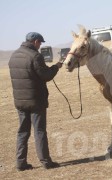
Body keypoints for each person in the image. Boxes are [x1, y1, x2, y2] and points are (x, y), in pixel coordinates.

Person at [9, 32, 63, 171]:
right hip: (36, 101)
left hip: (20, 102)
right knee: (39, 131)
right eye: (40, 43)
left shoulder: (14, 55)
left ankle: (21, 163)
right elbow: (45, 75)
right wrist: (56, 67)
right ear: (35, 41)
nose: (40, 46)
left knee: (22, 132)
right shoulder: (35, 56)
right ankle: (46, 161)